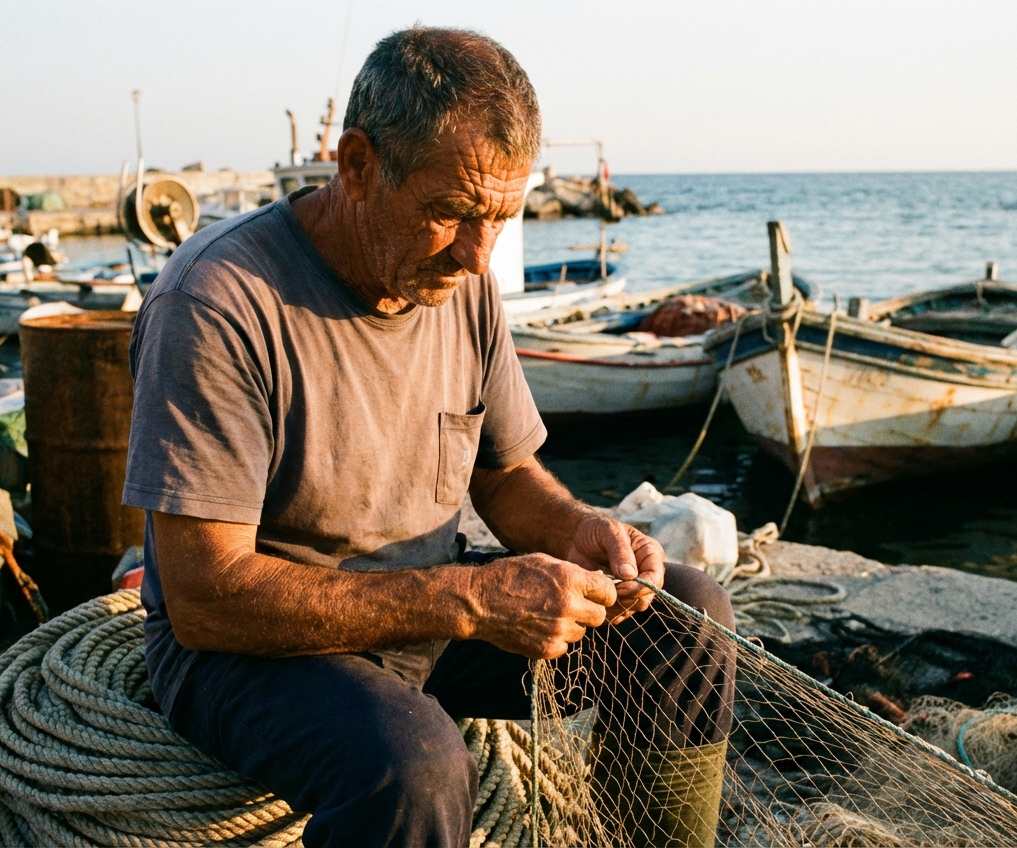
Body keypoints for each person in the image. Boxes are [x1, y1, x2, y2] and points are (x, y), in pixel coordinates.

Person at [123, 26, 733, 848]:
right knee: (417, 764)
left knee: (686, 619)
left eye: (502, 220)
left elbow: (507, 475)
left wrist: (582, 531)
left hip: (425, 617)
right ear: (358, 166)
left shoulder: (458, 282)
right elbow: (205, 598)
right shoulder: (218, 302)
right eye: (451, 213)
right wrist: (472, 599)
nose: (481, 257)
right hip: (250, 648)